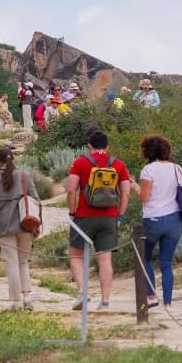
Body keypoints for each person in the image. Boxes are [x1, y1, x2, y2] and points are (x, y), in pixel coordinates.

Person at [67, 129, 132, 310]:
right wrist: (120, 215)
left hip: (84, 216)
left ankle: (82, 292)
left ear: (90, 146)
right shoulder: (118, 164)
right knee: (105, 259)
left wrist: (72, 213)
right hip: (109, 216)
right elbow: (126, 193)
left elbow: (71, 189)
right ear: (107, 146)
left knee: (76, 255)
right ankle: (104, 302)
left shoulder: (80, 162)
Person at [139, 135, 182, 309]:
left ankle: (151, 295)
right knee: (166, 262)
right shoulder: (177, 168)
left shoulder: (148, 170)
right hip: (173, 218)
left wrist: (136, 187)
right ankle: (168, 303)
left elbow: (145, 197)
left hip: (153, 218)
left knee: (145, 257)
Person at [0, 148, 40, 309]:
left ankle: (14, 301)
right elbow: (36, 200)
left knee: (11, 263)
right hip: (24, 224)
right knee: (23, 262)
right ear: (14, 158)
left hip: (4, 226)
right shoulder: (25, 175)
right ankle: (27, 298)